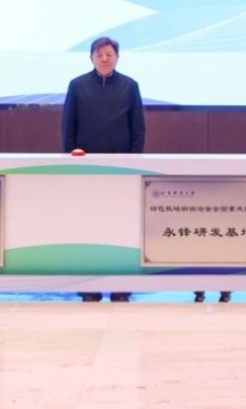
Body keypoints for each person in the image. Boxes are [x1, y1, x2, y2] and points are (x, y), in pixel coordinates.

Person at [63, 37, 145, 303]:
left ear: (117, 57)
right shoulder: (77, 86)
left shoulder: (130, 86)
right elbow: (68, 129)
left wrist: (132, 164)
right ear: (91, 58)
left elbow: (138, 130)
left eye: (109, 54)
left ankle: (121, 285)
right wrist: (72, 164)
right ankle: (89, 285)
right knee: (86, 228)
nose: (104, 58)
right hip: (86, 171)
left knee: (121, 229)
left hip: (121, 171)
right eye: (99, 55)